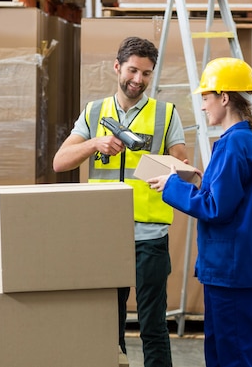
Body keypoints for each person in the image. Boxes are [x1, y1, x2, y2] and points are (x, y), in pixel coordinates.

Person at [52, 36, 187, 367]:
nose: (138, 80)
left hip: (150, 236)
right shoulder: (94, 112)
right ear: (117, 67)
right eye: (132, 70)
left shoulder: (166, 114)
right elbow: (60, 162)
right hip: (104, 235)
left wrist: (155, 166)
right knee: (106, 327)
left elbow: (184, 171)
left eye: (146, 73)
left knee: (153, 326)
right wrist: (94, 143)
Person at [146, 57, 252, 367]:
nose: (203, 106)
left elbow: (216, 208)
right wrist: (198, 180)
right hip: (232, 269)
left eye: (205, 97)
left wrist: (171, 186)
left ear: (224, 97)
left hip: (232, 270)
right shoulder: (239, 141)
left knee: (233, 355)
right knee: (223, 350)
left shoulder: (235, 144)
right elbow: (229, 197)